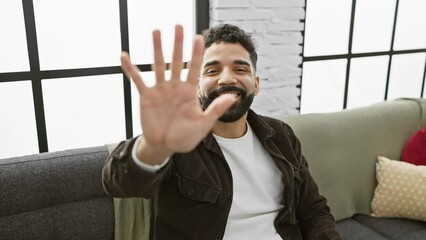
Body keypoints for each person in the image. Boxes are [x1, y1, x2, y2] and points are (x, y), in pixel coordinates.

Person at [102, 24, 342, 240]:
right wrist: (153, 148)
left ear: (256, 84)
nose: (226, 79)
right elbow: (120, 184)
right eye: (212, 71)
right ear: (197, 86)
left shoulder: (282, 136)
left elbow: (314, 211)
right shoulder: (179, 139)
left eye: (240, 69)